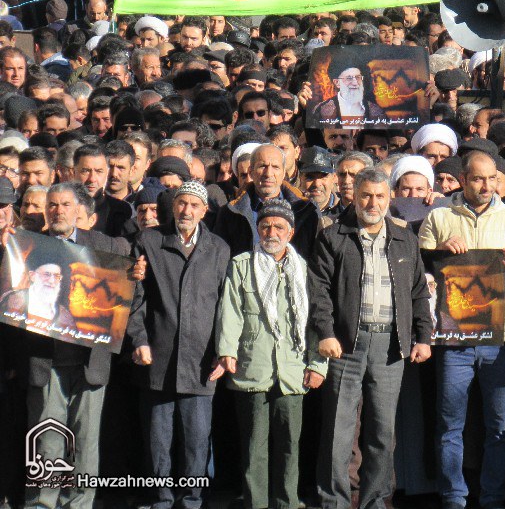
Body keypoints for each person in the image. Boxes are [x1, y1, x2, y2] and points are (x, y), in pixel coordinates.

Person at [310, 167, 433, 509]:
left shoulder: (404, 238)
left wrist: (423, 336)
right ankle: (332, 501)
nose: (372, 202)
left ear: (389, 198)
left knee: (383, 432)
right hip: (345, 345)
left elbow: (419, 292)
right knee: (339, 431)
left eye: (380, 196)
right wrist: (326, 333)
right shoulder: (333, 236)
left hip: (390, 346)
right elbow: (317, 291)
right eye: (366, 195)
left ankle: (376, 501)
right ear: (354, 195)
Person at [417, 151, 505, 509]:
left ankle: (493, 498)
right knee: (450, 423)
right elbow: (418, 276)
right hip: (455, 340)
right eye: (478, 179)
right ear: (463, 180)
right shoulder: (438, 218)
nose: (485, 186)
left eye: (491, 179)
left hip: (501, 341)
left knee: (500, 426)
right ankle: (454, 497)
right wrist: (439, 255)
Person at [12, 182, 131, 509]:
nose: (58, 211)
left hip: (90, 361)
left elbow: (128, 284)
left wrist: (135, 274)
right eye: (52, 205)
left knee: (86, 442)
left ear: (79, 210)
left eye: (65, 205)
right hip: (45, 361)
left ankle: (79, 504)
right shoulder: (29, 246)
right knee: (47, 442)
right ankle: (42, 503)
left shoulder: (107, 246)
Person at [216, 199, 327, 509]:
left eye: (279, 227)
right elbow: (231, 312)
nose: (271, 232)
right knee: (254, 446)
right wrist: (227, 352)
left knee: (290, 445)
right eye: (265, 226)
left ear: (290, 232)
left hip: (293, 369)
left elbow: (318, 318)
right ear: (257, 229)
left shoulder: (304, 268)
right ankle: (256, 503)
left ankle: (287, 502)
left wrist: (318, 364)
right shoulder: (241, 264)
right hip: (253, 366)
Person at [128, 181, 231, 509]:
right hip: (157, 356)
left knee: (196, 442)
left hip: (201, 361)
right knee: (158, 440)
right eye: (181, 204)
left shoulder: (219, 249)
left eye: (194, 206)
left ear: (205, 211)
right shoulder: (150, 241)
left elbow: (225, 306)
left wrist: (222, 350)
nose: (186, 211)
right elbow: (135, 297)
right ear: (173, 207)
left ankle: (191, 501)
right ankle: (161, 500)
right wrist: (139, 340)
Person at [313, 64, 386, 126]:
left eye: (358, 77)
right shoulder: (321, 109)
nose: (355, 83)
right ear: (337, 83)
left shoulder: (376, 111)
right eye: (349, 78)